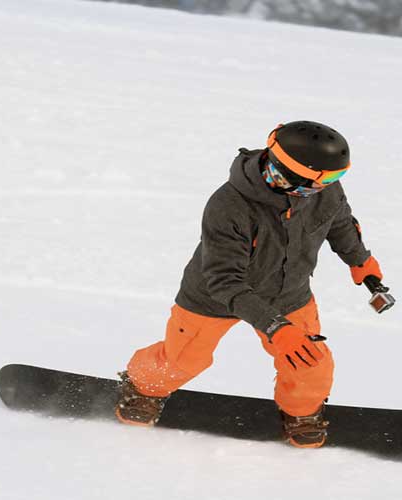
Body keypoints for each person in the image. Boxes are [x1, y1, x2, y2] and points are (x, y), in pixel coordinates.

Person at [116, 120, 385, 448]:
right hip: (213, 297)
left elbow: (339, 221)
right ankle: (142, 388)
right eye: (325, 179)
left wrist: (359, 260)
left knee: (309, 359)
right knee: (183, 360)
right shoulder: (229, 206)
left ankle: (301, 412)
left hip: (289, 294)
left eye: (336, 178)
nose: (330, 185)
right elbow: (224, 281)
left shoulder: (321, 191)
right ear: (293, 175)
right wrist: (276, 328)